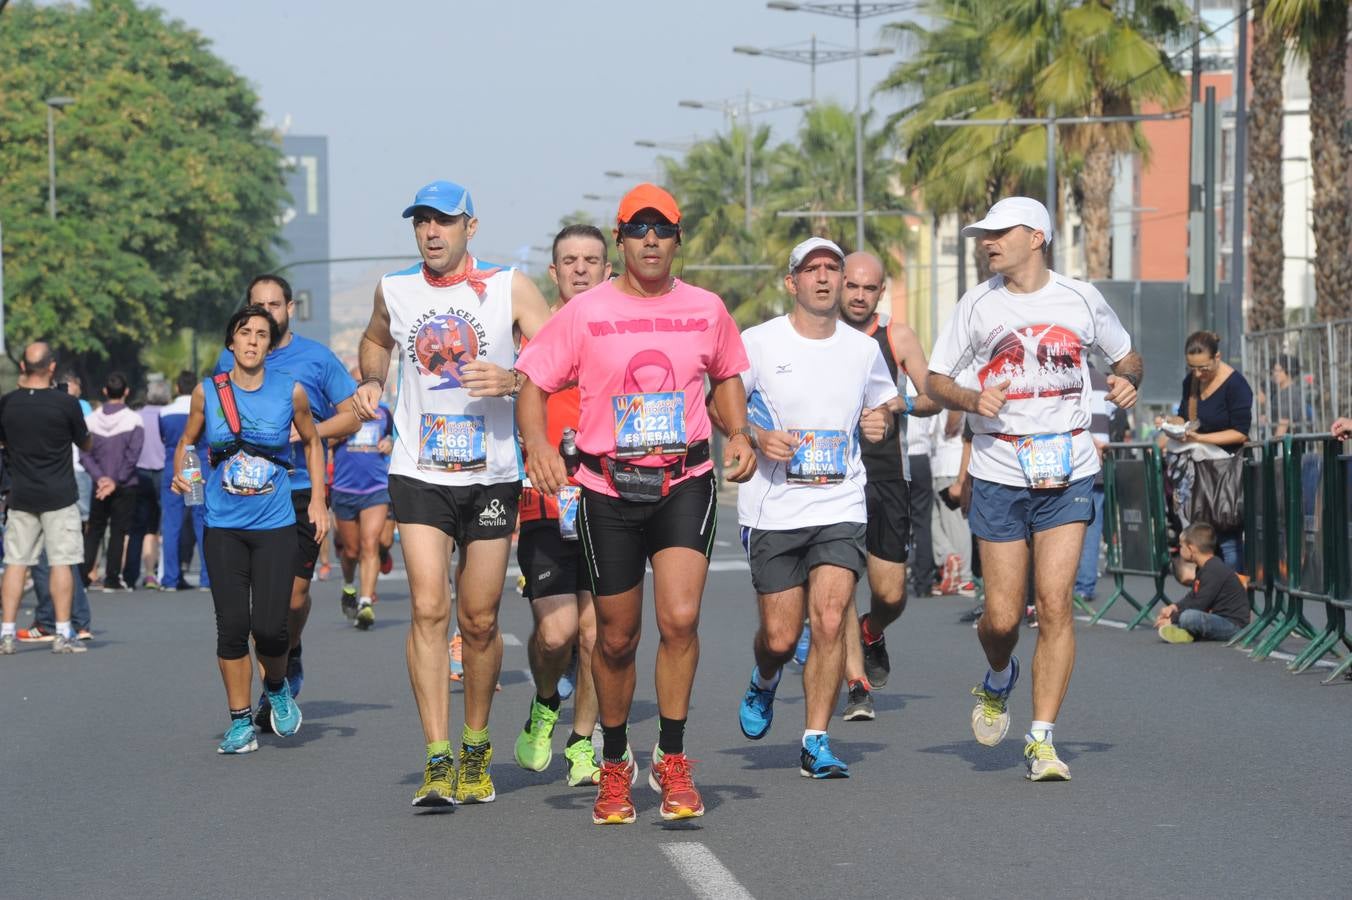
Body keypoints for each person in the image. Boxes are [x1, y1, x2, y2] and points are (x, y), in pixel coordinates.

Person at [515, 183, 756, 825]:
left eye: (663, 228)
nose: (651, 239)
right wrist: (537, 444)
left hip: (685, 480)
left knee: (679, 620)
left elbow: (728, 374)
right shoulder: (585, 311)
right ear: (620, 240)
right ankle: (615, 764)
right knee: (616, 638)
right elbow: (533, 381)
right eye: (638, 228)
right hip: (605, 486)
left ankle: (672, 759)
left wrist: (738, 432)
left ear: (678, 240)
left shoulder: (706, 308)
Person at [352, 179, 552, 807]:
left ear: (471, 226)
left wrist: (515, 377)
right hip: (419, 472)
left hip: (491, 473)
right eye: (421, 223)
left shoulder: (509, 286)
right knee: (428, 608)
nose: (431, 232)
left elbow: (560, 358)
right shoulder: (395, 288)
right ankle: (437, 756)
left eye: (442, 222)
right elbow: (376, 339)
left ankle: (474, 745)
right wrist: (372, 380)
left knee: (481, 619)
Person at [927, 196, 1142, 782]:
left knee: (1053, 604)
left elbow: (1128, 358)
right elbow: (935, 378)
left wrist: (1125, 382)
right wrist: (972, 399)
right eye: (983, 235)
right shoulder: (976, 304)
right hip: (998, 471)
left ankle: (1042, 738)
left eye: (998, 233)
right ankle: (999, 677)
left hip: (1068, 467)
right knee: (1000, 620)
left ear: (1035, 236)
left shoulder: (1080, 299)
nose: (987, 242)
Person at [729, 237, 896, 776]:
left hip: (840, 502)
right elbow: (719, 403)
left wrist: (881, 421)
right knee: (779, 638)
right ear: (792, 281)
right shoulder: (757, 343)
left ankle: (816, 738)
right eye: (812, 269)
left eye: (833, 269)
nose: (824, 278)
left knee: (828, 619)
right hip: (774, 508)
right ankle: (765, 679)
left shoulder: (863, 350)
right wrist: (754, 435)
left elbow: (880, 407)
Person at [172, 306, 326, 752]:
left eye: (262, 334)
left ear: (268, 345)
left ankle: (276, 686)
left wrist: (317, 500)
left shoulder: (289, 392)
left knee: (272, 628)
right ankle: (239, 722)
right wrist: (183, 470)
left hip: (276, 525)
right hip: (223, 526)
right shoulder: (208, 392)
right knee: (232, 626)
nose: (253, 341)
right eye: (245, 333)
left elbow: (313, 443)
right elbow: (188, 441)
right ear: (231, 343)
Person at [217, 274, 361, 731]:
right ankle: (269, 689)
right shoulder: (230, 358)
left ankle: (287, 654)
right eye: (256, 306)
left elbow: (353, 414)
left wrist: (309, 433)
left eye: (274, 306)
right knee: (256, 609)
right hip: (244, 500)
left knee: (293, 598)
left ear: (290, 308)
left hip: (300, 493)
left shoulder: (316, 358)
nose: (266, 314)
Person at [511, 224, 612, 789]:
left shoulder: (617, 330)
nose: (579, 268)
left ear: (606, 268)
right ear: (554, 272)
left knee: (598, 635)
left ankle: (582, 741)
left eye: (591, 260)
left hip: (609, 501)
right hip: (543, 504)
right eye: (569, 260)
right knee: (557, 634)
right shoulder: (532, 335)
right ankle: (545, 703)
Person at [833, 250, 939, 721]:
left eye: (867, 288)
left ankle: (872, 629)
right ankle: (856, 685)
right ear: (837, 284)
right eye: (850, 285)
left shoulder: (895, 335)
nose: (857, 295)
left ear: (880, 291)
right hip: (828, 478)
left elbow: (934, 394)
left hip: (886, 476)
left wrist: (902, 405)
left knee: (891, 594)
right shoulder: (816, 333)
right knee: (835, 588)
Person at [0, 342, 92, 655]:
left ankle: (6, 633)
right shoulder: (65, 404)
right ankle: (64, 631)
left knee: (15, 562)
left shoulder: (7, 403)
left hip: (22, 494)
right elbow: (86, 442)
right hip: (60, 493)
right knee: (61, 563)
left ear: (22, 367)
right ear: (52, 367)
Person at [1161, 330, 1251, 570]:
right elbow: (1184, 417)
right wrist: (1170, 424)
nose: (1198, 374)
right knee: (1200, 540)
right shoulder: (1190, 382)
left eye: (1204, 368)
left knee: (1228, 538)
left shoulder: (1236, 385)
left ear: (1217, 357)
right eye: (1192, 367)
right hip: (1198, 473)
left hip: (1226, 471)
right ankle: (1209, 599)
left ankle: (1234, 601)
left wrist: (1201, 438)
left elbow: (1240, 432)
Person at [332, 366, 394, 631]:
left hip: (376, 488)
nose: (363, 388)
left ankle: (366, 603)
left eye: (368, 383)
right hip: (345, 489)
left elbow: (392, 435)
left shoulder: (384, 413)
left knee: (371, 544)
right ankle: (349, 586)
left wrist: (389, 441)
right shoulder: (339, 412)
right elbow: (322, 438)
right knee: (352, 551)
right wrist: (341, 431)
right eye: (358, 383)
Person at [79, 373, 144, 591]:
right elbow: (133, 455)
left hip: (99, 486)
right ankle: (112, 578)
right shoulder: (134, 420)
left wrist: (101, 479)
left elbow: (84, 454)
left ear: (105, 391)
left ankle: (84, 576)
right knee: (118, 531)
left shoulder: (91, 420)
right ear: (126, 392)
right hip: (124, 484)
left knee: (94, 530)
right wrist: (115, 481)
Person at [1155, 522, 1248, 643]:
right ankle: (1186, 634)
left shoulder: (1214, 570)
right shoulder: (1203, 568)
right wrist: (1174, 607)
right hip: (1218, 619)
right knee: (1188, 616)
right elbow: (1193, 596)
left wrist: (1172, 620)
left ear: (1191, 549)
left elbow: (1200, 604)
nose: (1180, 549)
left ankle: (1185, 630)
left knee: (1189, 617)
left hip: (1233, 626)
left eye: (1181, 546)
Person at [159, 371, 209, 591]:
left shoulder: (164, 412)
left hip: (173, 464)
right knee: (202, 521)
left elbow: (165, 439)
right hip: (199, 464)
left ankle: (170, 578)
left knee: (171, 524)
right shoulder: (203, 407)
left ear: (177, 388)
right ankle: (207, 578)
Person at [125, 379, 169, 588]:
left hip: (139, 472)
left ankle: (131, 574)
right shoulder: (168, 414)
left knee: (137, 527)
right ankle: (159, 572)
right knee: (161, 526)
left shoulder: (137, 416)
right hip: (162, 471)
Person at [1268, 355, 1307, 439]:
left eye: (1279, 371)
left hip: (1288, 446)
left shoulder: (1289, 394)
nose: (1275, 374)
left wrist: (1273, 447)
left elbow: (1283, 424)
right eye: (1274, 370)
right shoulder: (1283, 392)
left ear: (1288, 371)